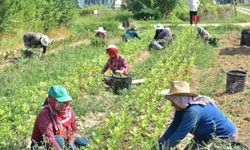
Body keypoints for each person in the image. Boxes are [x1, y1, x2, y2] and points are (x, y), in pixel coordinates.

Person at [157, 81, 238, 150]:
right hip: (204, 137)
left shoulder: (193, 111)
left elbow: (179, 135)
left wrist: (163, 148)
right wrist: (158, 146)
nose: (172, 104)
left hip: (224, 138)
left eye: (173, 101)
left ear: (179, 100)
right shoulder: (182, 108)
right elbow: (173, 127)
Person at [31, 85, 89, 150]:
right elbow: (51, 140)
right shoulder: (44, 115)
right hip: (42, 144)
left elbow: (74, 129)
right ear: (52, 101)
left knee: (84, 142)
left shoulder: (68, 110)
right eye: (62, 102)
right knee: (59, 140)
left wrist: (71, 142)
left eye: (66, 102)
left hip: (65, 138)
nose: (65, 105)